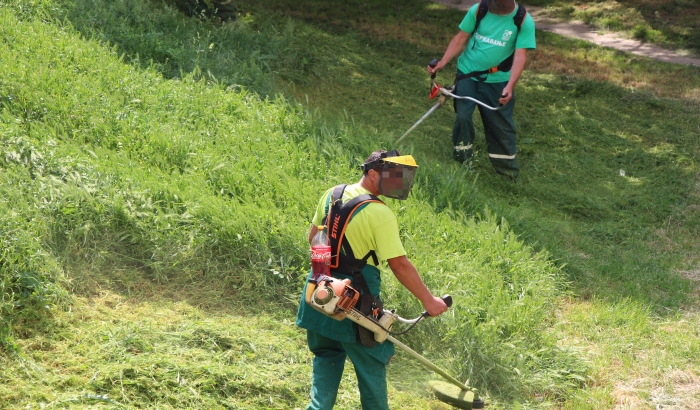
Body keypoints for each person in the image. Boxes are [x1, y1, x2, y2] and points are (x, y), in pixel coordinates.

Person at [296, 150, 449, 410]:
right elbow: (399, 265)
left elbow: (314, 238)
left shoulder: (332, 194)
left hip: (320, 289)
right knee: (372, 364)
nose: (399, 182)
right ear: (373, 174)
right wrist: (430, 301)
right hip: (355, 299)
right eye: (394, 176)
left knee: (326, 355)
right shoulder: (379, 213)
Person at [427, 0, 536, 179]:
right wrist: (443, 62)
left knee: (499, 125)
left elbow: (520, 57)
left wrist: (509, 86)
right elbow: (461, 37)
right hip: (467, 73)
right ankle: (462, 162)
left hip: (498, 80)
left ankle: (506, 173)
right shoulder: (479, 9)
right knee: (462, 117)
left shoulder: (522, 20)